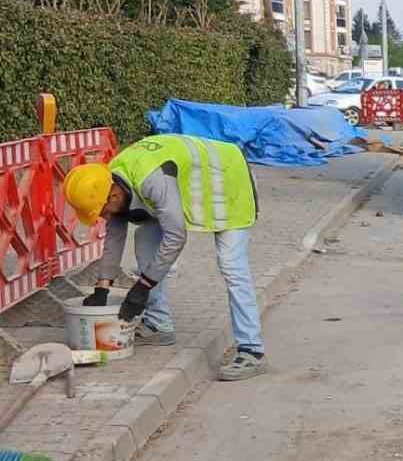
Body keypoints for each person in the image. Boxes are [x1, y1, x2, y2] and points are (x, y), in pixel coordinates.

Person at [64, 135, 266, 382]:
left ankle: (251, 349)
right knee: (145, 242)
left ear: (113, 196)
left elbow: (176, 237)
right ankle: (159, 325)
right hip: (183, 192)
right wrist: (102, 288)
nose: (102, 217)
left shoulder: (150, 179)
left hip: (228, 181)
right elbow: (114, 237)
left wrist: (143, 286)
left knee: (232, 266)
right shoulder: (113, 178)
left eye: (101, 212)